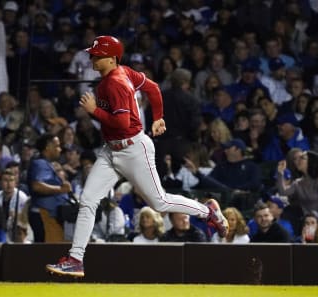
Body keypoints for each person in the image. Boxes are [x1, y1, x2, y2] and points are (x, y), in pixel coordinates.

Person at [46, 36, 228, 278]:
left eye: (96, 55)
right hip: (112, 150)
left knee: (159, 202)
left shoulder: (115, 83)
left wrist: (94, 111)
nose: (91, 58)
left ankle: (208, 212)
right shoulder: (124, 72)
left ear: (111, 59)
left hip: (133, 149)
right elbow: (153, 88)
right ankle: (75, 259)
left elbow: (121, 123)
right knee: (88, 200)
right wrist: (159, 116)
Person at [28, 133, 71, 243]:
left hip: (50, 216)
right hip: (44, 215)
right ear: (48, 147)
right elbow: (37, 185)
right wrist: (61, 189)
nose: (60, 149)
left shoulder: (45, 164)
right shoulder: (40, 163)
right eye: (57, 146)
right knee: (48, 254)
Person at [0, 168, 29, 241]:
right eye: (5, 180)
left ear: (15, 182)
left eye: (11, 180)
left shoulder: (22, 197)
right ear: (0, 182)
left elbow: (26, 220)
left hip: (16, 235)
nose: (9, 184)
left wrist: (17, 216)